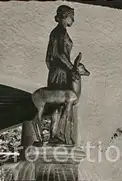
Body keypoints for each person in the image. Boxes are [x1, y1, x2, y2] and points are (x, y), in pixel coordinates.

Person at [45, 4, 76, 143]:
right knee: (59, 102)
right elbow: (61, 54)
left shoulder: (56, 32)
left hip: (57, 70)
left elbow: (48, 58)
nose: (73, 20)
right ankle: (55, 134)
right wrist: (71, 68)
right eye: (71, 17)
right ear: (64, 16)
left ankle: (56, 134)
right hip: (61, 71)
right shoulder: (60, 31)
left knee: (58, 103)